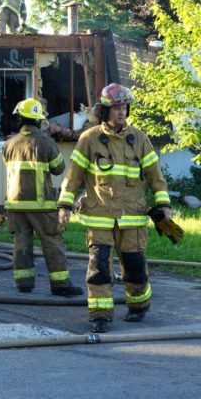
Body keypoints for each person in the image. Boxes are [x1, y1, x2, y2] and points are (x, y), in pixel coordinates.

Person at [57, 83, 172, 334]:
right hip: (100, 215)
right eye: (116, 108)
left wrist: (163, 204)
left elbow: (155, 175)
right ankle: (100, 314)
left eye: (124, 107)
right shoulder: (89, 139)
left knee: (135, 267)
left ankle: (138, 305)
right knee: (99, 268)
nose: (121, 112)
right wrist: (65, 204)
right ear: (104, 110)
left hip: (132, 216)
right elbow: (73, 176)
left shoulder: (139, 138)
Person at [3, 98, 83, 296]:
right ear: (38, 121)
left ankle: (23, 283)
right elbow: (58, 169)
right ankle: (61, 285)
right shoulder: (46, 143)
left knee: (21, 242)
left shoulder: (9, 144)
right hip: (41, 205)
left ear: (20, 119)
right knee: (52, 242)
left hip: (16, 204)